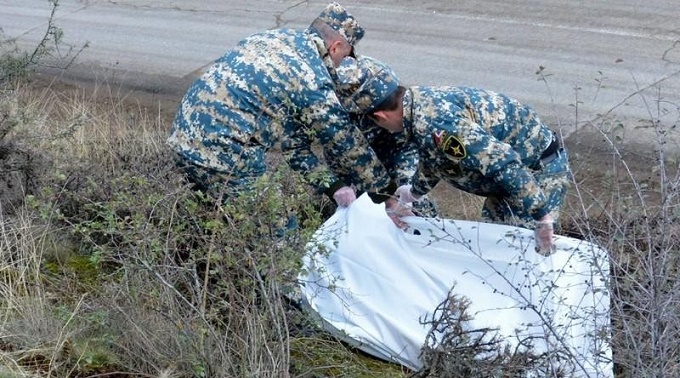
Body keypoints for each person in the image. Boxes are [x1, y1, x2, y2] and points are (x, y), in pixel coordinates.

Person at [167, 2, 396, 208]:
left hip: (181, 140)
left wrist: (333, 186)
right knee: (277, 232)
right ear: (335, 47)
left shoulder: (270, 39)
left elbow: (293, 145)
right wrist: (386, 195)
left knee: (208, 215)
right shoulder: (311, 76)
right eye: (347, 56)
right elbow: (344, 141)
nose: (343, 64)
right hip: (225, 155)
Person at [336, 57, 571, 254]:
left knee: (527, 256)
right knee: (497, 249)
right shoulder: (416, 105)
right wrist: (413, 192)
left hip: (534, 177)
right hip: (508, 184)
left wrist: (541, 216)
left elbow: (505, 163)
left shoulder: (437, 124)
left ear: (382, 116)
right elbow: (436, 159)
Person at [330, 56, 439, 217]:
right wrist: (386, 199)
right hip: (352, 165)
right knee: (355, 213)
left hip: (398, 150)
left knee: (412, 203)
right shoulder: (334, 112)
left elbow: (410, 147)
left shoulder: (385, 87)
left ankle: (429, 233)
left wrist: (405, 193)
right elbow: (356, 155)